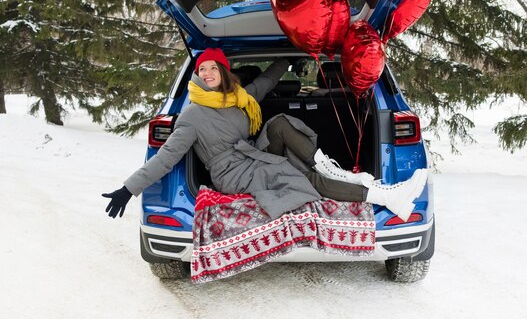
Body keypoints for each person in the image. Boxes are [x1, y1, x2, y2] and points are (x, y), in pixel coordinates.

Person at [102, 48, 427, 221]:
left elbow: (269, 80)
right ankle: (385, 196)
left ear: (224, 71)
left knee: (281, 122)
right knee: (302, 178)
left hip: (249, 152)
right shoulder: (191, 116)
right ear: (197, 77)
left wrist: (290, 56)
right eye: (203, 70)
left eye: (214, 68)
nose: (209, 73)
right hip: (230, 172)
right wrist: (128, 189)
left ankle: (338, 172)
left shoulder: (238, 97)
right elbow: (165, 158)